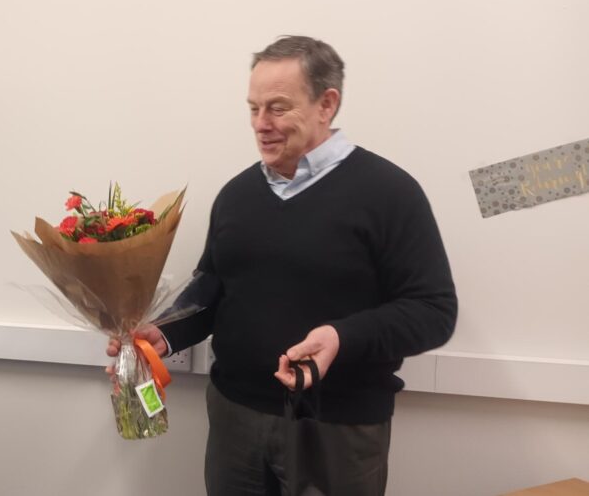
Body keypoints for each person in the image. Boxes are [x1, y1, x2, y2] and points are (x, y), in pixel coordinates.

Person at [108, 35, 457, 495]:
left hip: (335, 426)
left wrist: (341, 337)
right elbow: (213, 289)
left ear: (326, 104)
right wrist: (166, 332)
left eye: (277, 107)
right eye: (253, 108)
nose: (261, 124)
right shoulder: (236, 196)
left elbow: (434, 311)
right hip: (234, 417)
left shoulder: (390, 194)